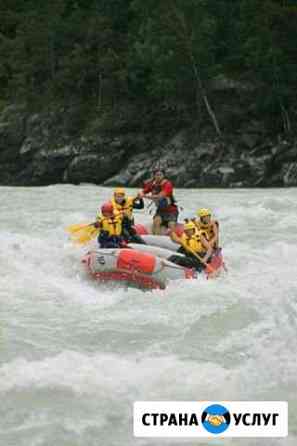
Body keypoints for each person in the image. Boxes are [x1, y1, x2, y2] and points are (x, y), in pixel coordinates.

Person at [142, 168, 178, 235]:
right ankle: (156, 240)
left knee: (171, 224)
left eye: (160, 175)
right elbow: (143, 191)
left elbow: (160, 196)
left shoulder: (168, 184)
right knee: (156, 222)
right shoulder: (152, 185)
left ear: (163, 175)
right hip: (160, 211)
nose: (158, 176)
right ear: (154, 176)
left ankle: (172, 241)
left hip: (171, 211)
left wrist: (145, 196)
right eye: (156, 175)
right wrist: (140, 194)